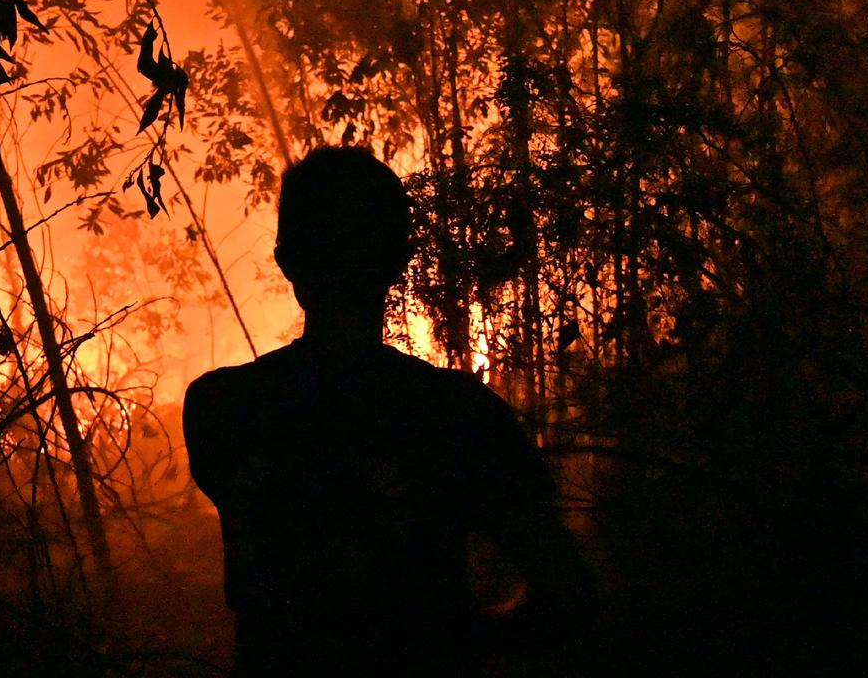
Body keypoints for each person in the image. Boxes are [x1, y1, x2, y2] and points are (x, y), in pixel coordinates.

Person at [183, 147, 594, 676]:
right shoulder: (461, 418)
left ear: (286, 259)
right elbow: (566, 596)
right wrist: (454, 634)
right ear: (401, 260)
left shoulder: (221, 410)